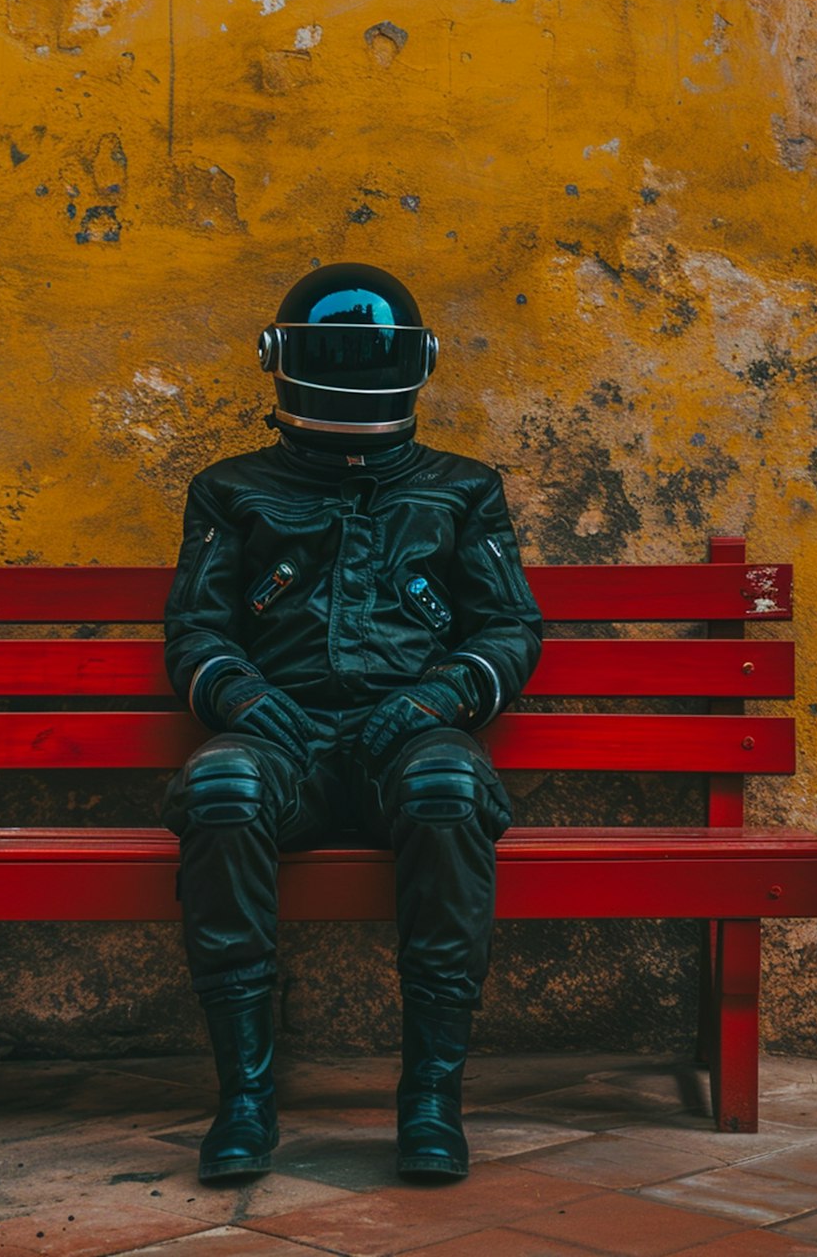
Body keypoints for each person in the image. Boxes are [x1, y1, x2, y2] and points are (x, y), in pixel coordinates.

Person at [162, 263, 542, 1183]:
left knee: (449, 786)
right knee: (221, 785)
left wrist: (435, 700)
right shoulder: (231, 489)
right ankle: (245, 1101)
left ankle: (430, 1106)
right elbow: (197, 628)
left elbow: (510, 625)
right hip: (280, 740)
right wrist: (246, 701)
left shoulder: (460, 489)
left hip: (408, 740)